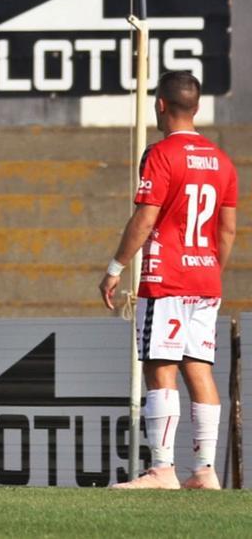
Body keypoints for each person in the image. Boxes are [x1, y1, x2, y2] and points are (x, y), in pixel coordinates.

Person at [100, 71, 237, 491]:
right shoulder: (222, 160)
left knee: (161, 367)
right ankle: (205, 471)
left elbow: (146, 217)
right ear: (195, 107)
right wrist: (211, 269)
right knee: (199, 369)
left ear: (161, 104)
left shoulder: (160, 155)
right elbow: (228, 230)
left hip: (167, 278)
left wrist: (115, 267)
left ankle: (161, 469)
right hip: (205, 278)